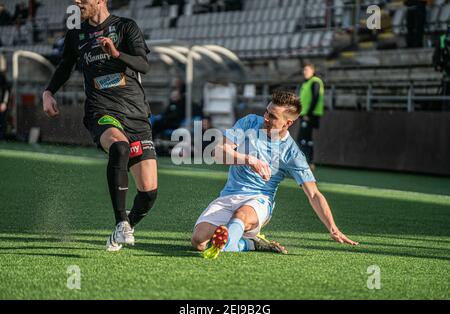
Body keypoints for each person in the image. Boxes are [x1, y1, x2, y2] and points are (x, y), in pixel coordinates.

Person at [42, 0, 158, 252]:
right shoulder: (76, 34)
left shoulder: (126, 27)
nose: (77, 2)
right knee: (119, 147)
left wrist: (116, 53)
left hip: (136, 113)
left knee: (148, 194)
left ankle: (125, 225)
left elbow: (144, 65)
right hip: (101, 110)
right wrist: (49, 91)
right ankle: (120, 222)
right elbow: (65, 66)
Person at [192, 90, 358, 260]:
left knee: (240, 215)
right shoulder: (249, 122)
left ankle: (235, 243)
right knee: (198, 242)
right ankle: (248, 243)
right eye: (266, 111)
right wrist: (249, 160)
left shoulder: (292, 153)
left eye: (272, 116)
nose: (266, 118)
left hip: (259, 201)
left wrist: (333, 228)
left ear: (288, 123)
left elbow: (314, 194)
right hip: (229, 195)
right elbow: (218, 153)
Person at [297, 63, 325, 170]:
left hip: (310, 115)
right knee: (304, 138)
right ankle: (308, 162)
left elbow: (315, 98)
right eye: (304, 70)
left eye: (307, 70)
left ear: (313, 71)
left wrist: (308, 114)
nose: (305, 72)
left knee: (304, 139)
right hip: (304, 115)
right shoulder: (305, 83)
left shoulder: (315, 82)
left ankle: (309, 162)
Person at [433, 23, 450, 111]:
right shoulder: (443, 40)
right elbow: (437, 56)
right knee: (446, 99)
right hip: (447, 76)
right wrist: (438, 64)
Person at [0, 69, 11, 140]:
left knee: (2, 120)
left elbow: (6, 89)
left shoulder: (1, 76)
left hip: (1, 102)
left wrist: (4, 102)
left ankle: (2, 136)